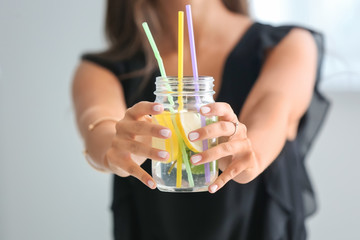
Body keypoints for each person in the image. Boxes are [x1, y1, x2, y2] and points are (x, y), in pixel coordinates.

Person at [72, 0, 329, 239]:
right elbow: (100, 126)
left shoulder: (287, 45)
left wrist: (246, 151)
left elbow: (271, 114)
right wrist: (115, 149)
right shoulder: (101, 69)